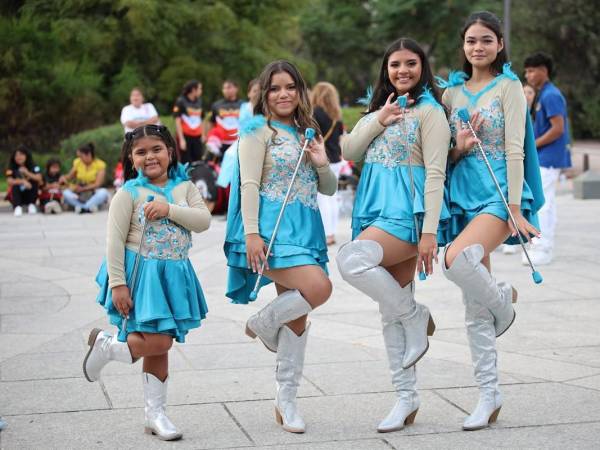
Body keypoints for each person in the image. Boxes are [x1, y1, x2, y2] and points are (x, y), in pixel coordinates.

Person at [336, 38, 450, 433]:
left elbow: (436, 172)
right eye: (396, 64)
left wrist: (430, 233)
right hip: (375, 208)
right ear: (386, 68)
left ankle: (414, 316)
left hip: (408, 211)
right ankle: (406, 397)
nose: (403, 71)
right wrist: (377, 119)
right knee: (390, 309)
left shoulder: (432, 112)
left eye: (411, 64)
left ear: (423, 67)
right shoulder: (379, 110)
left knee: (351, 260)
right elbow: (349, 149)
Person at [437, 11, 543, 431]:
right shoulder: (450, 95)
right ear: (462, 46)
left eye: (485, 40)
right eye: (470, 41)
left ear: (500, 44)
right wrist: (458, 147)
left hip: (499, 197)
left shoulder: (509, 86)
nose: (476, 47)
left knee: (454, 259)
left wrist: (516, 208)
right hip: (462, 197)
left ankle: (503, 301)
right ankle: (488, 394)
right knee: (472, 304)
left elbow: (516, 148)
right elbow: (446, 154)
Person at [224, 60, 337, 434]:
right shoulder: (257, 131)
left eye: (290, 87)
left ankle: (286, 401)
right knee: (319, 288)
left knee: (299, 317)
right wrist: (252, 234)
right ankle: (261, 322)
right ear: (264, 94)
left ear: (300, 90)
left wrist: (322, 163)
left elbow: (329, 188)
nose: (283, 94)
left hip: (305, 228)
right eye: (275, 88)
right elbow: (249, 185)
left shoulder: (308, 129)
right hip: (270, 231)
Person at [83, 124, 211, 440]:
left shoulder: (185, 188)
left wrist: (169, 209)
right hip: (141, 276)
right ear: (131, 158)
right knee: (161, 341)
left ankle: (155, 414)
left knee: (159, 347)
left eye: (156, 149)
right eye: (141, 152)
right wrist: (118, 284)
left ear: (170, 151)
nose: (150, 156)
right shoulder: (128, 193)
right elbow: (113, 241)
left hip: (173, 275)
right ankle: (109, 347)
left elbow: (203, 221)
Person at [524, 52, 571, 265]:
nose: (528, 75)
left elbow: (558, 128)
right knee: (545, 202)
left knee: (543, 203)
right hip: (544, 157)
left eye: (532, 70)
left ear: (544, 70)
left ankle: (543, 247)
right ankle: (541, 245)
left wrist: (533, 145)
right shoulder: (543, 94)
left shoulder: (551, 95)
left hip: (549, 157)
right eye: (526, 71)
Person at [311, 82, 345, 245]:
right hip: (336, 159)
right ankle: (332, 232)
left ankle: (327, 234)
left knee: (322, 198)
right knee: (333, 197)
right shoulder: (336, 116)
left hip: (323, 159)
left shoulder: (315, 113)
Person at [216, 78, 260, 189]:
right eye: (255, 91)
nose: (257, 93)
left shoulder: (266, 108)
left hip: (261, 139)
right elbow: (243, 125)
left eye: (260, 90)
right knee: (230, 155)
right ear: (249, 93)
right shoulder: (245, 107)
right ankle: (224, 187)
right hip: (245, 138)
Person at [61, 143, 109, 213]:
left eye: (81, 156)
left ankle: (83, 207)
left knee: (103, 192)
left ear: (88, 155)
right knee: (66, 193)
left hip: (92, 192)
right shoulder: (78, 162)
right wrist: (63, 178)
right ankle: (88, 207)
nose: (80, 159)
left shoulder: (100, 165)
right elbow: (69, 177)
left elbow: (97, 184)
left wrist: (83, 189)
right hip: (79, 194)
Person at [205, 80, 243, 158]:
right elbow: (210, 122)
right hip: (221, 143)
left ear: (236, 89)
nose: (226, 90)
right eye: (224, 88)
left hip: (239, 142)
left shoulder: (244, 105)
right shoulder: (216, 105)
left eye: (229, 87)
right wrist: (207, 137)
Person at [173, 80, 204, 164]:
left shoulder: (200, 101)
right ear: (194, 90)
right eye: (200, 88)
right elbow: (177, 120)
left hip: (197, 136)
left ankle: (198, 177)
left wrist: (203, 134)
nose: (201, 91)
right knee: (186, 162)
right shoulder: (181, 101)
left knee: (198, 161)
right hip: (186, 136)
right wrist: (182, 139)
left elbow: (201, 118)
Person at [5, 145, 42, 216]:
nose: (19, 157)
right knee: (15, 185)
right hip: (17, 195)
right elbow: (9, 181)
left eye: (21, 155)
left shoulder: (33, 166)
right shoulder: (11, 167)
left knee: (34, 182)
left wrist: (27, 173)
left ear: (26, 156)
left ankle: (31, 205)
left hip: (30, 192)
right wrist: (22, 182)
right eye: (16, 155)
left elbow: (39, 178)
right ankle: (17, 207)